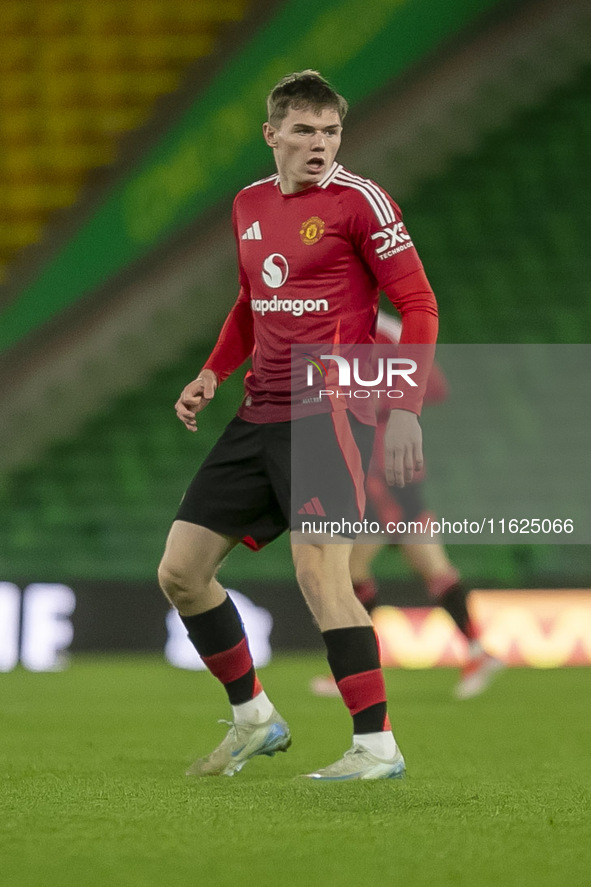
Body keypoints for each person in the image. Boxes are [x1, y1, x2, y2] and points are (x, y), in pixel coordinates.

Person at [157, 70, 438, 780]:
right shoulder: (248, 203)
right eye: (305, 130)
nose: (319, 144)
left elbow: (419, 305)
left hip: (330, 408)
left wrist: (402, 405)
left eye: (331, 131)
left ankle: (376, 747)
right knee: (182, 573)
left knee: (319, 571)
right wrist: (210, 374)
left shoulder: (360, 203)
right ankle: (255, 719)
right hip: (259, 410)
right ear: (272, 134)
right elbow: (252, 301)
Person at [311, 312, 504, 701]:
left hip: (386, 471)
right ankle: (478, 651)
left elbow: (435, 387)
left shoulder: (388, 332)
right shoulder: (337, 330)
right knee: (431, 566)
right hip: (374, 470)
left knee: (349, 568)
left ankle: (357, 666)